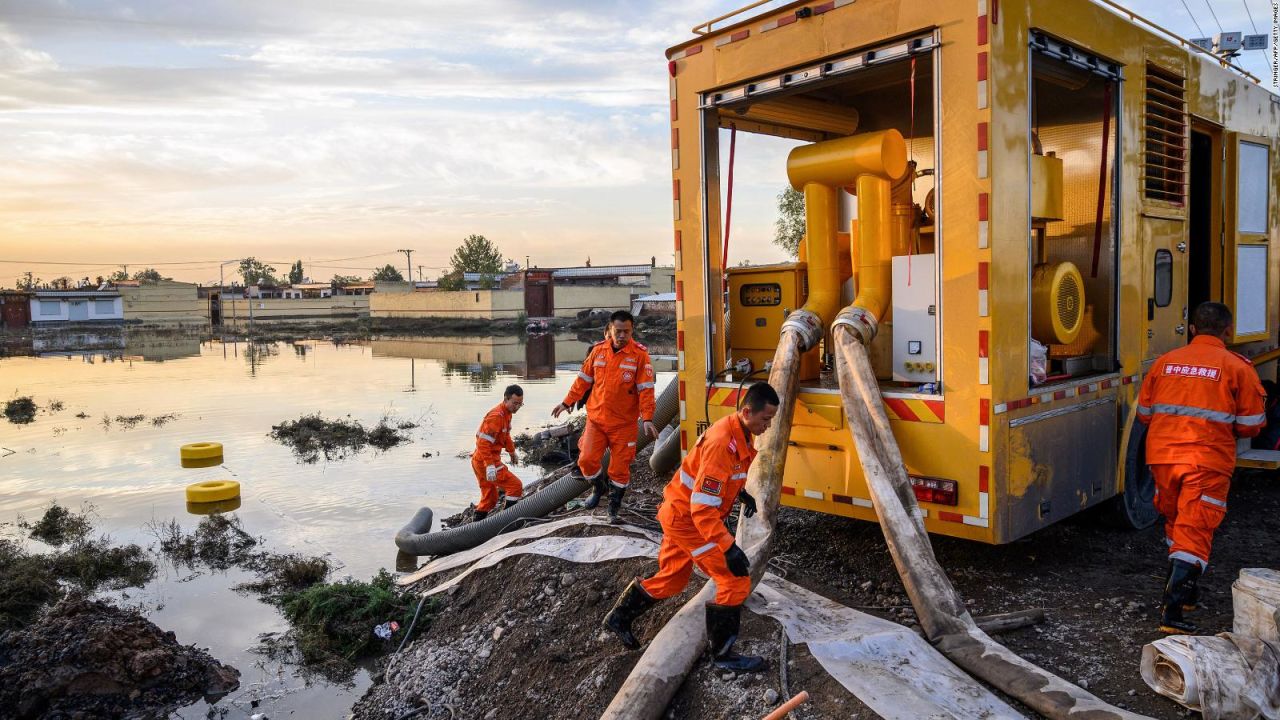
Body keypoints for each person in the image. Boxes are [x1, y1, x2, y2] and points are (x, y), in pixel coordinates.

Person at [601, 382, 780, 673]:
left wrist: (738, 493)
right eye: (765, 419)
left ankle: (619, 617)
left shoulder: (738, 432)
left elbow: (718, 479)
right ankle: (723, 657)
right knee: (735, 580)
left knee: (673, 579)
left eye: (770, 420)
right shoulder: (723, 442)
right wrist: (728, 547)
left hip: (678, 513)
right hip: (688, 521)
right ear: (747, 411)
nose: (768, 426)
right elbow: (703, 508)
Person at [1136, 302, 1265, 634]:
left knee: (1178, 521)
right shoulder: (1237, 367)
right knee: (1195, 528)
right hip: (1206, 460)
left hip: (1163, 458)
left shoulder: (1164, 362)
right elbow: (1252, 424)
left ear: (1192, 329)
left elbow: (1145, 414)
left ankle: (1187, 591)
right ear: (1228, 332)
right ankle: (1172, 614)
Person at [552, 310, 658, 522]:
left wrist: (647, 418)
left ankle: (613, 509)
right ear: (609, 329)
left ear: (632, 331)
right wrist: (567, 402)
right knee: (587, 460)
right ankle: (598, 487)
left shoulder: (639, 356)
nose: (621, 336)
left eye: (626, 332)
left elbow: (646, 390)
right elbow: (582, 381)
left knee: (619, 469)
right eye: (617, 331)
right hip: (597, 421)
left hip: (624, 425)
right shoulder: (598, 352)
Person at [471, 384, 524, 522]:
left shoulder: (507, 414)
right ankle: (506, 522)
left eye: (520, 404)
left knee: (490, 498)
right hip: (485, 461)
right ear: (505, 399)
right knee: (515, 486)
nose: (517, 407)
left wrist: (512, 452)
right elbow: (482, 443)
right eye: (514, 403)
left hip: (480, 460)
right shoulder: (496, 416)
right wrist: (489, 465)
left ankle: (474, 528)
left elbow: (505, 436)